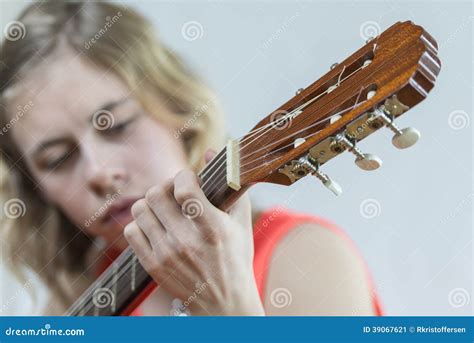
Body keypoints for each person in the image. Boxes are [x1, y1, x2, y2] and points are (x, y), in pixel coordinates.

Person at [0, 0, 382, 316]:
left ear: (179, 114)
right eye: (56, 159)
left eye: (116, 126)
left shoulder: (306, 258)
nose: (99, 172)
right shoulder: (73, 301)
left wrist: (229, 312)